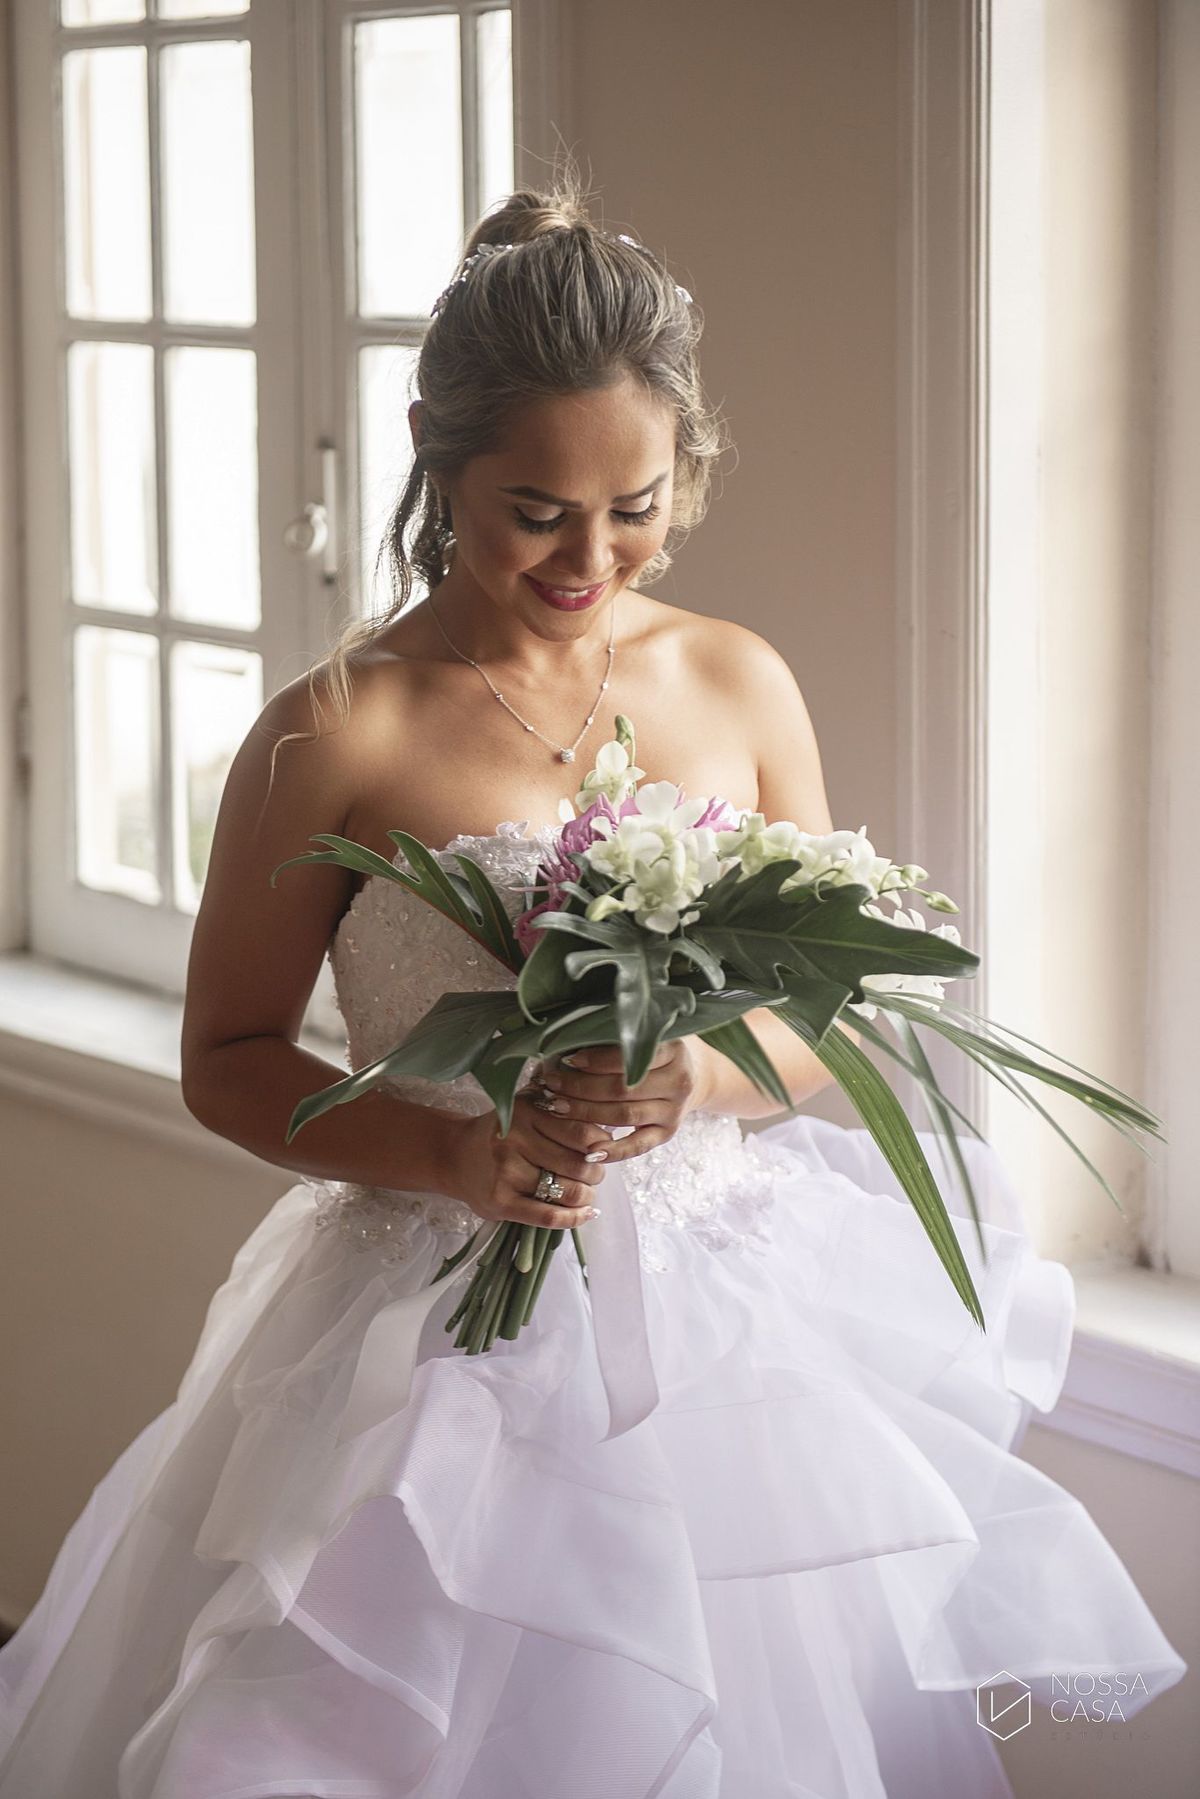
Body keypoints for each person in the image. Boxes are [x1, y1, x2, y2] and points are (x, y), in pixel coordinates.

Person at [0, 173, 1185, 1799]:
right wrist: (450, 1155)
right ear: (436, 449)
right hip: (420, 1324)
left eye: (635, 504)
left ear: (683, 463)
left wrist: (697, 1077)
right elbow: (228, 1052)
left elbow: (827, 1009)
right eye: (536, 509)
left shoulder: (733, 678)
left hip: (722, 1325)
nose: (591, 554)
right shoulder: (337, 729)